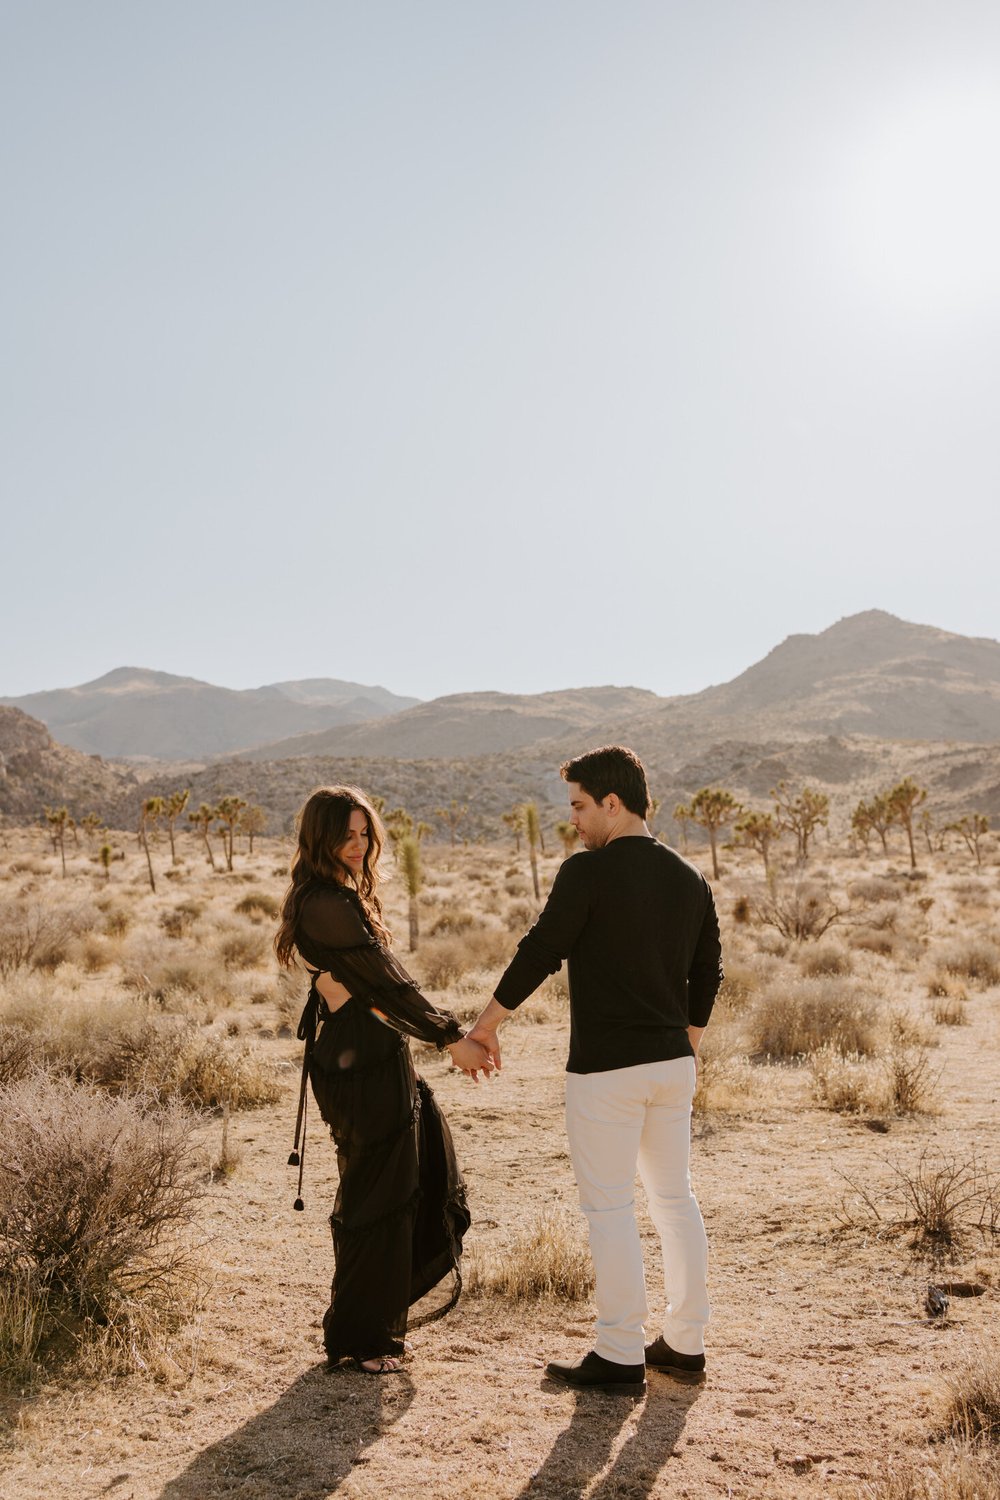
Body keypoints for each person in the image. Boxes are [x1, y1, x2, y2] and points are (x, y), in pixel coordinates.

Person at [468, 745, 723, 1393]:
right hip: (671, 1065)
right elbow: (709, 971)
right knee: (675, 1200)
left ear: (613, 803)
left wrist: (487, 1024)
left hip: (607, 1071)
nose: (574, 820)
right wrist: (684, 1038)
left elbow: (541, 951)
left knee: (609, 1208)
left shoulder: (587, 873)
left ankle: (619, 1355)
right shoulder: (691, 878)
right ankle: (685, 1344)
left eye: (580, 806)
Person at [274, 785, 491, 1374]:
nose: (358, 844)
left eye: (364, 833)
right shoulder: (325, 901)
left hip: (371, 1053)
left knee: (397, 1180)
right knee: (377, 1191)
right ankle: (361, 1338)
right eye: (345, 834)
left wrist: (430, 1035)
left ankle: (364, 1328)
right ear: (320, 838)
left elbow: (375, 991)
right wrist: (452, 1037)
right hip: (356, 1064)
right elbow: (390, 984)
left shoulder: (334, 896)